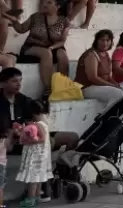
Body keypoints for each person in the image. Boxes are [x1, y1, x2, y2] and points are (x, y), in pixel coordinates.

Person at [0, 68, 78, 203]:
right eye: (14, 81)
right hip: (12, 138)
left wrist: (32, 126)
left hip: (30, 133)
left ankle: (62, 173)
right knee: (46, 142)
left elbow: (39, 120)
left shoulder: (24, 99)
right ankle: (42, 187)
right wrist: (14, 133)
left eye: (20, 81)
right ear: (2, 84)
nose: (19, 84)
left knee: (72, 137)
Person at [13, 0, 70, 96]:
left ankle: (63, 87)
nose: (45, 4)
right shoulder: (36, 17)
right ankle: (48, 89)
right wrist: (13, 19)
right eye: (45, 2)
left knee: (63, 55)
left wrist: (52, 47)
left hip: (54, 47)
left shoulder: (64, 21)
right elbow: (21, 29)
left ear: (57, 6)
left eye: (49, 2)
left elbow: (62, 41)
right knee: (46, 53)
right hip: (32, 46)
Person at [75, 29, 123, 108]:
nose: (105, 43)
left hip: (100, 86)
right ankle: (107, 118)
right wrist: (111, 85)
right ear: (96, 41)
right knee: (116, 93)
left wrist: (115, 84)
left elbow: (108, 76)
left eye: (108, 40)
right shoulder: (91, 54)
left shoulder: (106, 54)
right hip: (87, 88)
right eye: (102, 40)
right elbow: (92, 77)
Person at [15, 100, 50, 208]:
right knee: (38, 178)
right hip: (41, 156)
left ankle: (30, 199)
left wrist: (27, 141)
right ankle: (37, 197)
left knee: (32, 180)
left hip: (36, 156)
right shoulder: (43, 123)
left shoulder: (38, 125)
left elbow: (42, 139)